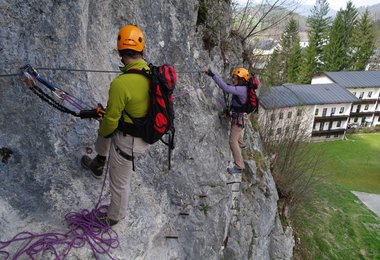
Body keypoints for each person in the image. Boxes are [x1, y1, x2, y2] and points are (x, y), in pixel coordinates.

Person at [81, 25, 150, 226]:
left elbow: (111, 122)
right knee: (107, 119)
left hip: (130, 142)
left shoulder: (121, 84)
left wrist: (103, 125)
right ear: (142, 51)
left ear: (120, 52)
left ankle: (113, 218)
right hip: (142, 130)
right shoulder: (150, 72)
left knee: (120, 182)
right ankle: (99, 161)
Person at [205, 67, 250, 174]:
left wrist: (213, 75)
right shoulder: (243, 87)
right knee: (238, 132)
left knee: (232, 141)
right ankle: (242, 144)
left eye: (235, 78)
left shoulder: (241, 89)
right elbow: (228, 86)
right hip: (239, 116)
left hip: (238, 119)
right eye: (233, 77)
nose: (233, 80)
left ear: (241, 79)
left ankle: (239, 166)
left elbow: (226, 88)